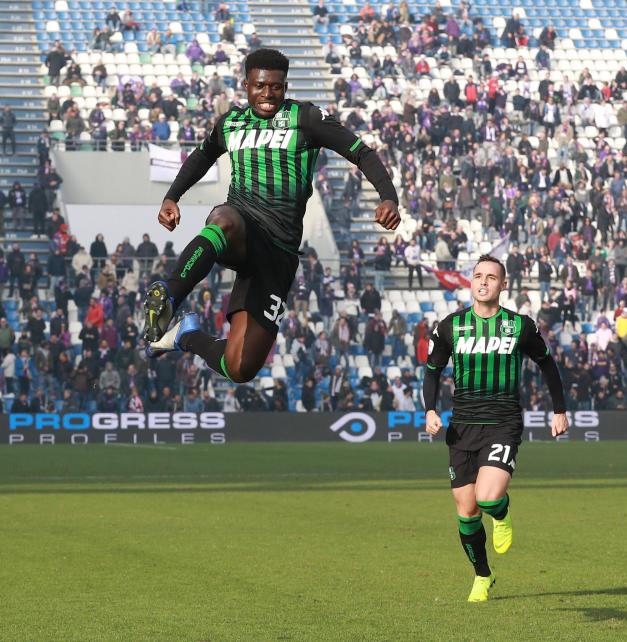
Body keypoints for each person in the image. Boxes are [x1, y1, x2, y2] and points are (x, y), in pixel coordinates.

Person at [142, 49, 400, 384]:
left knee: (240, 367)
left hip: (278, 252)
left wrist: (388, 197)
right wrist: (171, 196)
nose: (267, 94)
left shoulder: (305, 118)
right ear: (246, 84)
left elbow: (360, 151)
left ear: (285, 86)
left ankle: (185, 336)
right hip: (242, 227)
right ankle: (170, 295)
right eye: (260, 86)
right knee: (223, 219)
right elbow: (202, 155)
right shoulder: (231, 123)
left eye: (276, 87)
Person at [422, 254, 568, 602]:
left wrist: (559, 410)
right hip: (461, 428)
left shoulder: (520, 326)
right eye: (478, 276)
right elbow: (432, 370)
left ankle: (501, 514)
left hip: (503, 424)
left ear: (504, 285)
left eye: (491, 277)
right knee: (467, 510)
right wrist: (429, 409)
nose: (483, 281)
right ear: (471, 282)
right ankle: (483, 576)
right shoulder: (449, 326)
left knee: (488, 498)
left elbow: (548, 364)